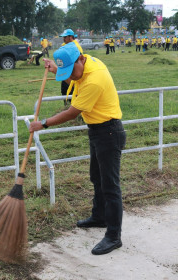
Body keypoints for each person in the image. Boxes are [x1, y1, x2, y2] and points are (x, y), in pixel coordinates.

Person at [29, 42, 126, 255]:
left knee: (110, 185)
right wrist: (56, 69)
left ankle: (113, 236)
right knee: (96, 178)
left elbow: (72, 112)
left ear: (81, 59)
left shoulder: (95, 79)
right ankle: (99, 217)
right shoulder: (85, 64)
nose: (70, 76)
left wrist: (43, 123)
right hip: (97, 130)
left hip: (109, 133)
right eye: (67, 71)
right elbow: (73, 76)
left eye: (71, 70)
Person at [59, 28, 84, 105]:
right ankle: (66, 108)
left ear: (70, 37)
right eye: (63, 37)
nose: (63, 39)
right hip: (66, 72)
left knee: (72, 93)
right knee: (64, 92)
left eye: (65, 37)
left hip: (72, 74)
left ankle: (73, 110)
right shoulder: (66, 45)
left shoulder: (76, 47)